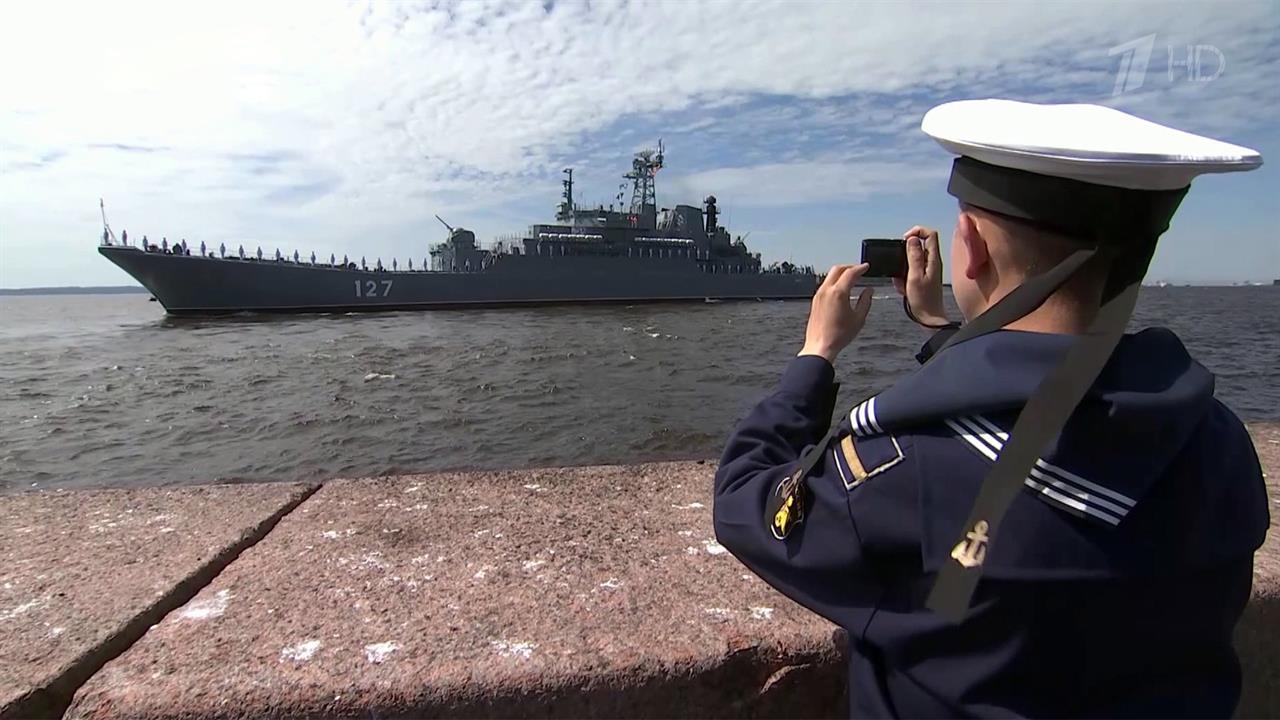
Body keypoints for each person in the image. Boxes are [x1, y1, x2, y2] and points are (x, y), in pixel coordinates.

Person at [712, 99, 1268, 718]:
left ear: (970, 247)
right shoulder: (1218, 442)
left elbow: (746, 505)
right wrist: (940, 326)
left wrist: (814, 358)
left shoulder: (906, 470)